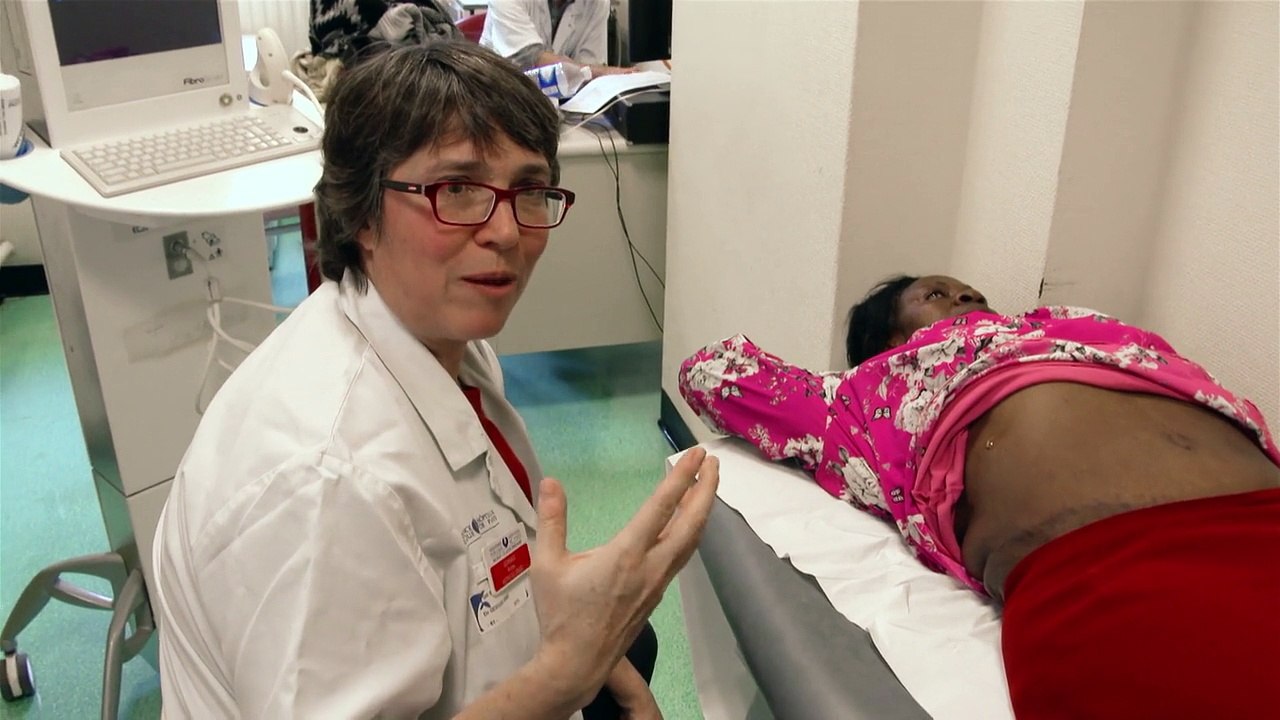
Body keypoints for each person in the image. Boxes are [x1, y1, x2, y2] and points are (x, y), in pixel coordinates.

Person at [151, 41, 719, 719]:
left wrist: (601, 657)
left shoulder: (437, 335)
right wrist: (568, 673)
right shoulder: (325, 488)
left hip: (489, 664)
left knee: (637, 645)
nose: (506, 231)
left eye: (528, 191)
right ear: (362, 212)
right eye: (458, 190)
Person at [679, 274, 1279, 719]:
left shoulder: (1065, 324)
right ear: (889, 339)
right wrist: (832, 384)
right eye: (935, 294)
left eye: (969, 291)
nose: (964, 295)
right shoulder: (862, 399)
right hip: (1111, 570)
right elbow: (709, 372)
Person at [480, 0, 634, 76]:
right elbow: (528, 57)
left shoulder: (596, 3)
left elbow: (590, 66)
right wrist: (603, 72)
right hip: (498, 93)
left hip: (562, 104)